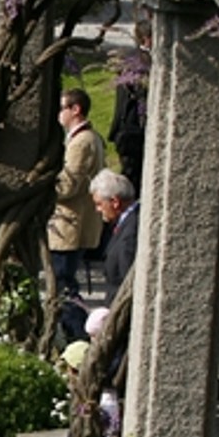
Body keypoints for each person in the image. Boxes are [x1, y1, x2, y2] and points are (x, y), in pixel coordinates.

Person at [49, 88, 106, 296]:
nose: (58, 114)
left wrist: (40, 187)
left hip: (70, 225)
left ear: (75, 110)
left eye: (61, 108)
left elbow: (67, 186)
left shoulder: (81, 142)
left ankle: (74, 317)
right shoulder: (91, 137)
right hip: (75, 223)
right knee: (63, 282)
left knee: (63, 284)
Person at [110, 22, 150, 190]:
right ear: (147, 39)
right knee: (132, 177)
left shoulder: (133, 58)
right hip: (132, 129)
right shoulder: (140, 62)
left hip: (128, 129)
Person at [92, 170, 139, 288]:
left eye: (99, 204)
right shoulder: (127, 221)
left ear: (115, 202)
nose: (97, 210)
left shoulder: (130, 232)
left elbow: (126, 281)